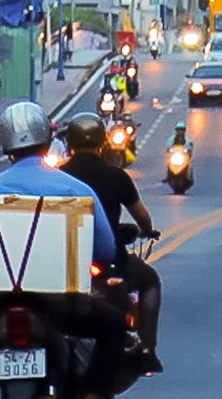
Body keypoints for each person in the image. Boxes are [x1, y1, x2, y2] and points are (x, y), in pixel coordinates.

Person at [0, 101, 128, 399]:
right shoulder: (76, 190)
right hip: (63, 305)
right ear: (49, 141)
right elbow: (107, 249)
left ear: (6, 145)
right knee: (114, 326)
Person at [58, 114, 164, 373]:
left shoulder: (58, 177)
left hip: (65, 260)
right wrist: (147, 231)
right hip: (110, 260)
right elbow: (142, 217)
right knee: (150, 281)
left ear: (69, 144)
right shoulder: (116, 176)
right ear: (102, 143)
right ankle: (147, 350)